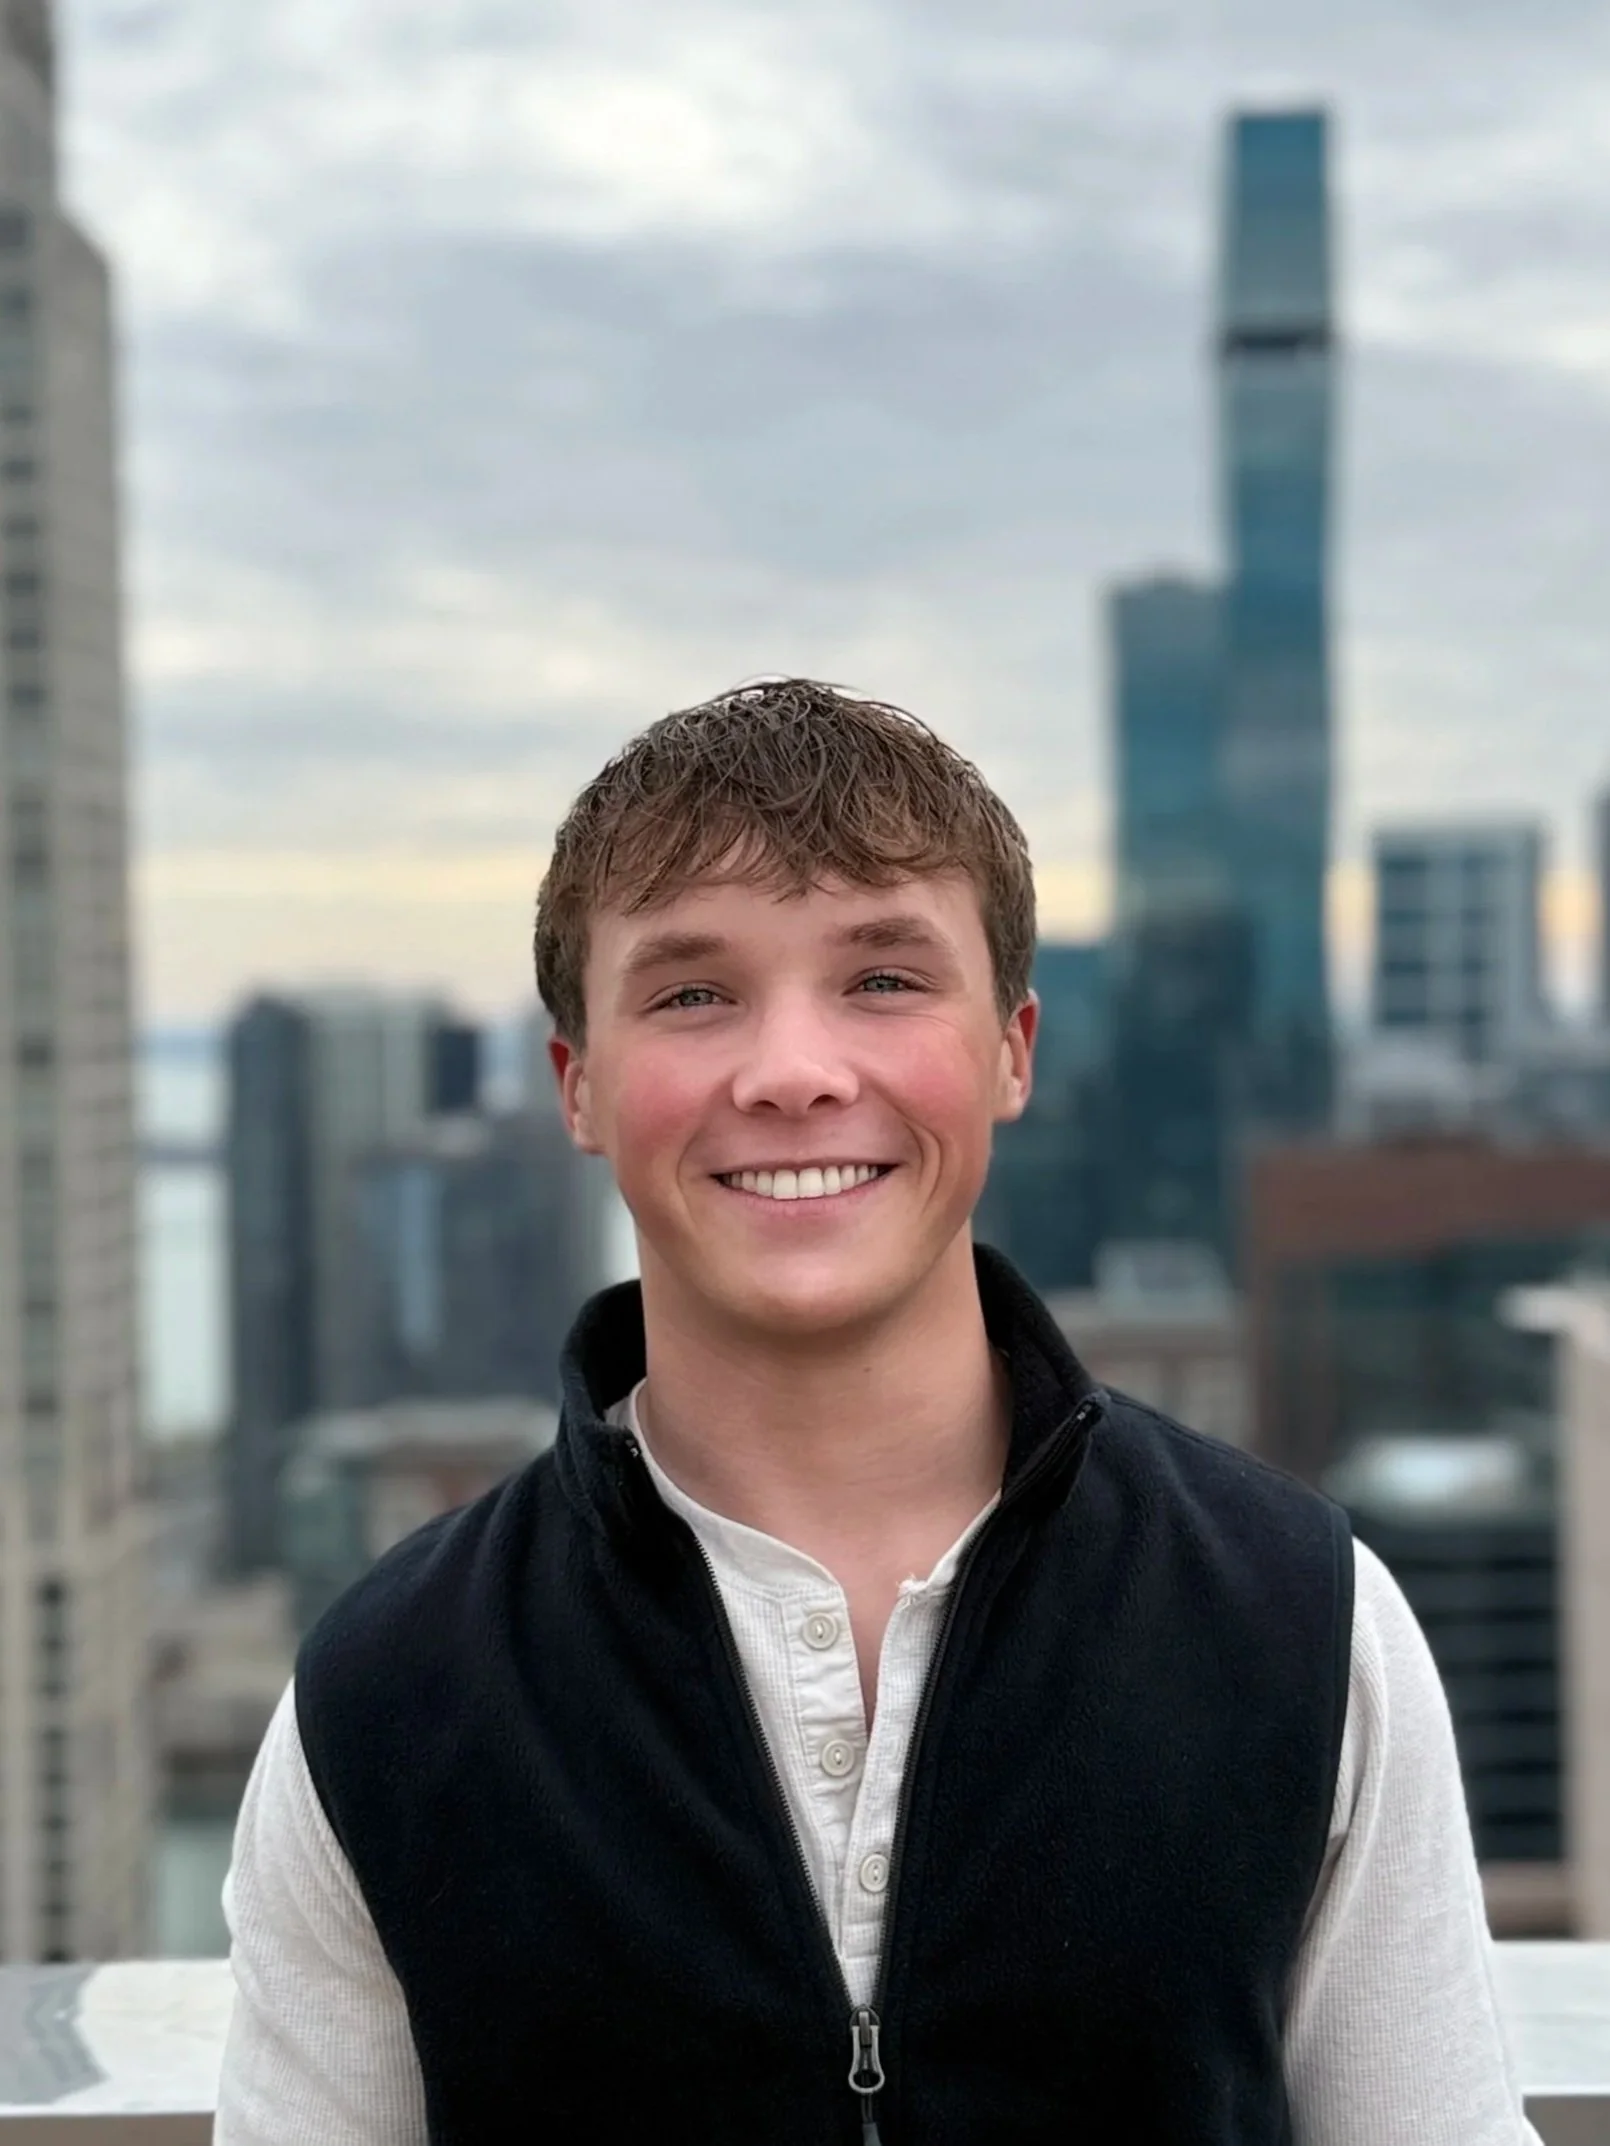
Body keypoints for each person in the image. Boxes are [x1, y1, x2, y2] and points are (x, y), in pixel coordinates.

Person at [215, 678, 1540, 2145]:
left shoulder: (1304, 1623)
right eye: (691, 991)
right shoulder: (385, 1698)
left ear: (1013, 1050)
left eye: (885, 978)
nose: (791, 1072)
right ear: (577, 1083)